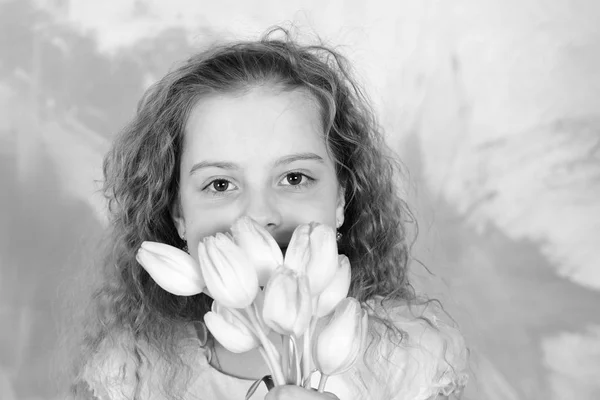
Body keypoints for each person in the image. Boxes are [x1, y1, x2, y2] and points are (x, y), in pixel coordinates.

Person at [69, 27, 470, 400]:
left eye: (294, 177)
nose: (259, 216)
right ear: (179, 216)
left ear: (340, 200)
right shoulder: (133, 373)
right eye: (220, 184)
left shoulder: (411, 361)